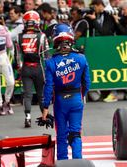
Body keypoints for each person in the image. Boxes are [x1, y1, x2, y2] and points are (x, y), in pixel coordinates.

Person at [42, 23, 91, 160]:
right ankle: (78, 162)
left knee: (61, 135)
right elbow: (87, 83)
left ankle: (62, 163)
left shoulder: (50, 62)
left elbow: (48, 87)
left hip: (60, 101)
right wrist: (82, 95)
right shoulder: (81, 58)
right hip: (76, 99)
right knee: (75, 133)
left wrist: (45, 107)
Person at [16, 10, 49, 128]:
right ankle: (44, 117)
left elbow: (18, 56)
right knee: (41, 94)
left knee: (27, 94)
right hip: (38, 68)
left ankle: (28, 117)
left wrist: (20, 68)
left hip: (26, 68)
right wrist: (48, 72)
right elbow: (46, 56)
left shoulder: (19, 37)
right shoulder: (42, 36)